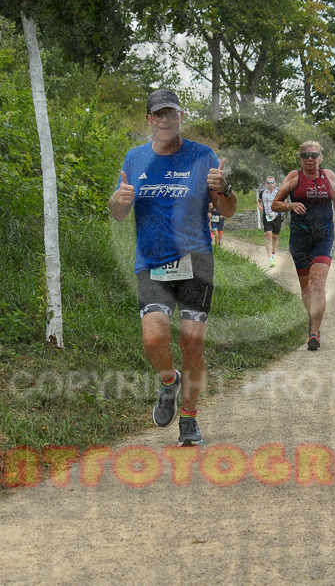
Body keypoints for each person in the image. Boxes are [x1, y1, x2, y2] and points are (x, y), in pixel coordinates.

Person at [109, 88, 236, 447]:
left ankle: (190, 418)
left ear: (181, 117)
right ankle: (170, 381)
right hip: (151, 262)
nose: (165, 120)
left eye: (171, 114)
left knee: (192, 342)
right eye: (158, 114)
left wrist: (225, 189)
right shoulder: (135, 158)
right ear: (149, 120)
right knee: (153, 340)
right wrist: (117, 200)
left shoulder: (202, 156)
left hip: (196, 261)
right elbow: (118, 214)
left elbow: (226, 210)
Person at [273, 141, 335, 351]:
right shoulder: (294, 177)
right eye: (305, 155)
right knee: (306, 287)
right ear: (300, 159)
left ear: (320, 158)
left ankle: (314, 332)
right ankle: (314, 323)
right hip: (300, 239)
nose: (310, 159)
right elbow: (275, 204)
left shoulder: (329, 177)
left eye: (314, 155)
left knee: (317, 283)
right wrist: (290, 205)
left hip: (324, 236)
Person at [259, 176, 281, 266]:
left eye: (272, 182)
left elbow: (283, 201)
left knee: (275, 236)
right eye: (268, 183)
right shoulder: (263, 192)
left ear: (275, 183)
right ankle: (270, 258)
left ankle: (273, 254)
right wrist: (260, 206)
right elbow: (259, 201)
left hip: (277, 216)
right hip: (267, 216)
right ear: (266, 184)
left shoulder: (279, 192)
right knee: (268, 235)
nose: (270, 184)